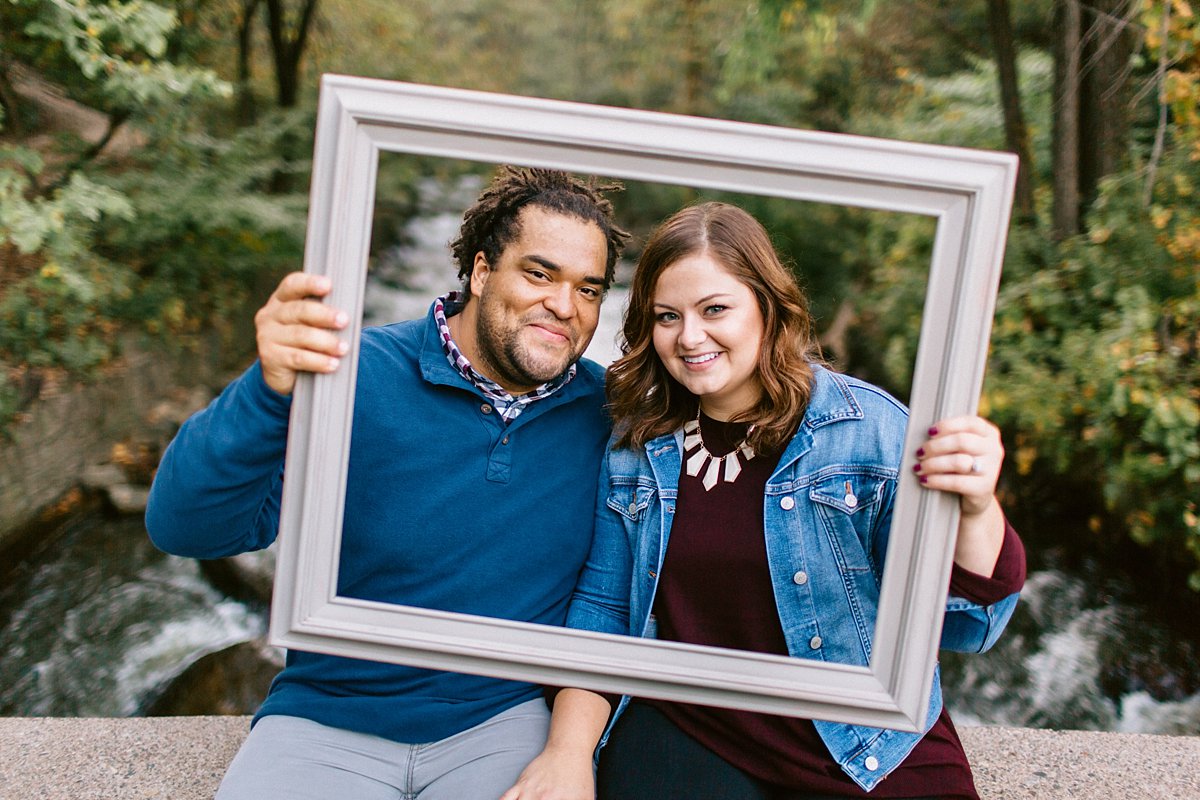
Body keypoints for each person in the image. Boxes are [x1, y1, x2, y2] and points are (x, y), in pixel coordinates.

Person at [502, 202, 1025, 800]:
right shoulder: (636, 444)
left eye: (715, 309)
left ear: (768, 308)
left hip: (860, 744)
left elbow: (972, 625)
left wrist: (979, 507)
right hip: (695, 732)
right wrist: (566, 754)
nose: (689, 337)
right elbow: (603, 610)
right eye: (667, 316)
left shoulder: (869, 431)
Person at [145, 166, 630, 800]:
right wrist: (268, 391)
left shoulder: (613, 415)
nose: (565, 307)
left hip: (501, 721)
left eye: (588, 289)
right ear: (482, 272)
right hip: (326, 713)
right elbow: (186, 527)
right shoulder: (352, 375)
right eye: (539, 274)